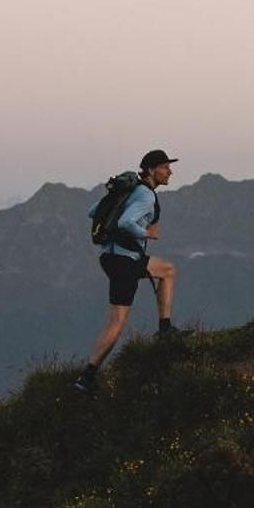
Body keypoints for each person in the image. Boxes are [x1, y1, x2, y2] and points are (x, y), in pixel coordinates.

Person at [74, 149, 179, 398]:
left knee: (167, 270)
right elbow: (125, 223)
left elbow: (93, 211)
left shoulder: (130, 189)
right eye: (165, 167)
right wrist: (147, 233)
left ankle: (165, 328)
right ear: (152, 170)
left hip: (114, 256)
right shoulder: (145, 195)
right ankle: (86, 378)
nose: (170, 172)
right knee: (117, 323)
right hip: (124, 261)